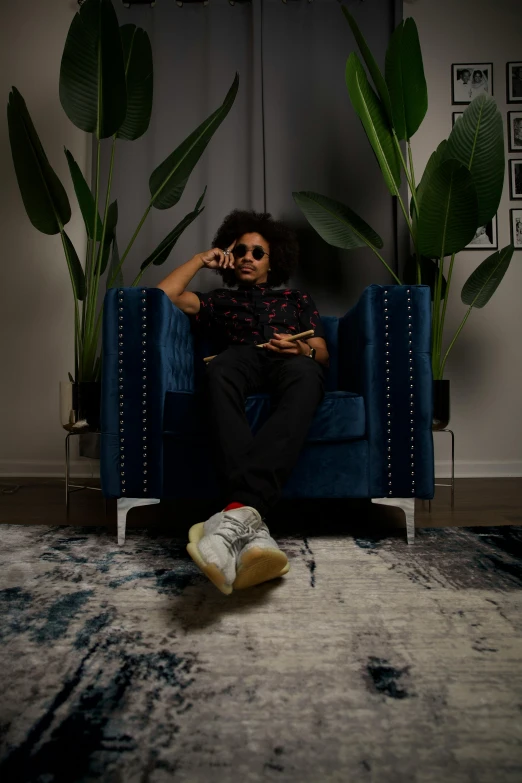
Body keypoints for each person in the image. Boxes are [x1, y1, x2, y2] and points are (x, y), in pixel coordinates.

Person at [156, 209, 329, 596]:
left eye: (257, 252)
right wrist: (203, 257)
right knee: (219, 371)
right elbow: (160, 297)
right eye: (241, 251)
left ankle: (236, 514)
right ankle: (251, 521)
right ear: (231, 257)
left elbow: (321, 354)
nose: (248, 257)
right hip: (240, 358)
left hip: (291, 360)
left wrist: (300, 347)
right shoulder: (218, 301)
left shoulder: (296, 298)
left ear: (273, 260)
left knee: (307, 374)